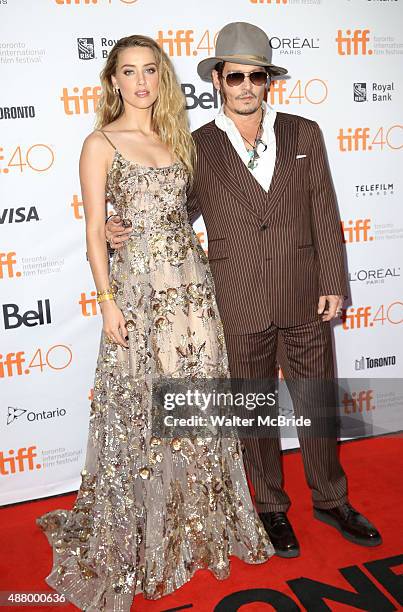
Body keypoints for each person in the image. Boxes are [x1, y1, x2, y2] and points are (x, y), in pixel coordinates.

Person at [107, 22, 382, 559]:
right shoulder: (195, 145)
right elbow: (172, 212)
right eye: (236, 75)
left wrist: (333, 281)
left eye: (258, 75)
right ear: (217, 78)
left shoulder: (305, 133)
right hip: (236, 300)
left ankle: (331, 498)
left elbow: (325, 212)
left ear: (268, 80)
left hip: (305, 295)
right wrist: (123, 227)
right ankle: (271, 507)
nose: (247, 85)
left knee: (316, 403)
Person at [36, 34, 274, 611]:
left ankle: (199, 525)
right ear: (113, 80)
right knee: (144, 409)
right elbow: (96, 229)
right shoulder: (100, 143)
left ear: (160, 77)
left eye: (150, 70)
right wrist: (107, 299)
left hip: (192, 292)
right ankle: (147, 530)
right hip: (139, 295)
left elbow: (185, 214)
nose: (141, 81)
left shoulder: (175, 140)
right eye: (129, 72)